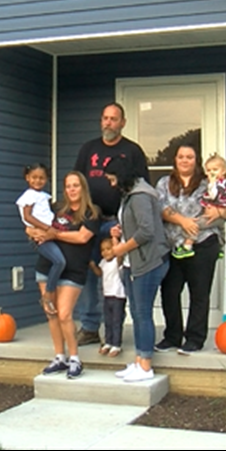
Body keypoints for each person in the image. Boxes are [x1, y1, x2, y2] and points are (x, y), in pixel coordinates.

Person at [72, 102, 150, 347]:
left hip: (119, 223)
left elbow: (141, 187)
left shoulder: (132, 151)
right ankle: (89, 326)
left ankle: (114, 330)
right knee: (89, 271)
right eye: (105, 118)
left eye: (113, 119)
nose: (108, 123)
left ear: (122, 123)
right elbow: (77, 182)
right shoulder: (89, 149)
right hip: (91, 223)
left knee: (118, 276)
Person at [155, 144, 226, 355]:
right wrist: (183, 221)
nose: (184, 160)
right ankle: (172, 336)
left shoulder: (207, 183)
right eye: (181, 156)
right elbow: (159, 208)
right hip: (172, 246)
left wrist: (220, 213)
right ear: (175, 160)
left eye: (189, 157)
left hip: (203, 243)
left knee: (199, 294)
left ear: (195, 160)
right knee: (169, 293)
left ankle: (195, 338)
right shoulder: (164, 183)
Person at [26, 171, 100, 380]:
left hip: (73, 270)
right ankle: (60, 357)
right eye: (68, 186)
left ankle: (75, 358)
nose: (72, 189)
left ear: (83, 187)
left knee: (65, 314)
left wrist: (54, 234)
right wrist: (35, 232)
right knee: (51, 313)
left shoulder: (92, 212)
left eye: (76, 185)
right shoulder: (56, 208)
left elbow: (82, 237)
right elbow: (31, 227)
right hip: (46, 267)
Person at [105, 157, 170, 382]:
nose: (112, 184)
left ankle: (146, 365)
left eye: (113, 179)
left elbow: (146, 231)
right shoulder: (129, 196)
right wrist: (119, 229)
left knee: (143, 314)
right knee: (136, 313)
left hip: (148, 262)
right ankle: (138, 361)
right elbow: (134, 225)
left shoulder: (141, 195)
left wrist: (121, 247)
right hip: (133, 263)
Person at [15, 163, 64, 316]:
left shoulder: (43, 196)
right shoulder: (28, 196)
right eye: (34, 177)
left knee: (59, 262)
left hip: (50, 235)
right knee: (59, 261)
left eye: (42, 178)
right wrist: (46, 228)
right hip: (40, 237)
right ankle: (48, 294)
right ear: (27, 178)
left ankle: (51, 289)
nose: (38, 181)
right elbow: (28, 216)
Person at [172, 153, 226, 259]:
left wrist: (219, 211)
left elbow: (214, 195)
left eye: (215, 169)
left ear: (223, 172)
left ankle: (187, 246)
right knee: (221, 228)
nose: (211, 173)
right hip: (215, 216)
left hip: (213, 217)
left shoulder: (218, 184)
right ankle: (221, 248)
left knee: (195, 225)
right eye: (209, 170)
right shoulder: (218, 183)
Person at [89, 237, 126, 358]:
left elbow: (120, 256)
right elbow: (100, 273)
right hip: (107, 295)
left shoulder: (117, 261)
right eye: (103, 250)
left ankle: (116, 344)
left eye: (108, 249)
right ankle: (108, 342)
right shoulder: (103, 262)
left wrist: (116, 241)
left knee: (116, 320)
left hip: (118, 295)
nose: (105, 252)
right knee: (108, 320)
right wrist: (93, 266)